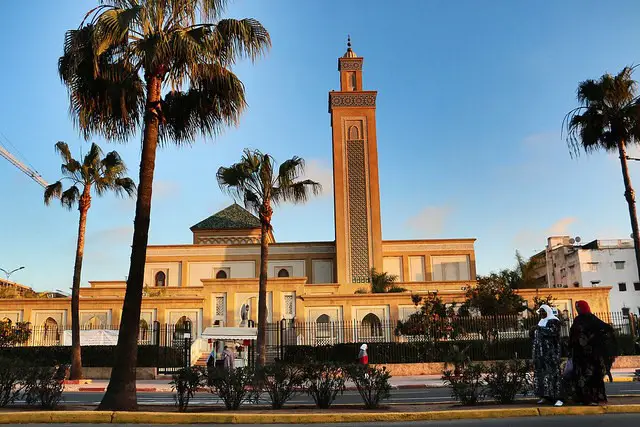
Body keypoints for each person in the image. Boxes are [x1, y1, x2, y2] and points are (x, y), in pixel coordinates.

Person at [565, 300, 617, 406]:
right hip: (580, 355)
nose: (577, 309)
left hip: (591, 355)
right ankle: (583, 398)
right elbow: (573, 335)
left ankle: (592, 398)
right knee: (581, 376)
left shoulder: (590, 319)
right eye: (576, 307)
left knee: (590, 376)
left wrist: (593, 339)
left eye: (578, 307)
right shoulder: (579, 319)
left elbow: (606, 329)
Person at [530, 304, 563, 406]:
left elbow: (552, 332)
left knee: (553, 375)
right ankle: (545, 396)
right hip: (540, 354)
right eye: (540, 312)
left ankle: (557, 398)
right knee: (542, 376)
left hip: (550, 354)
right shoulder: (540, 322)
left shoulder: (554, 321)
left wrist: (538, 329)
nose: (541, 314)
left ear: (547, 311)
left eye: (543, 312)